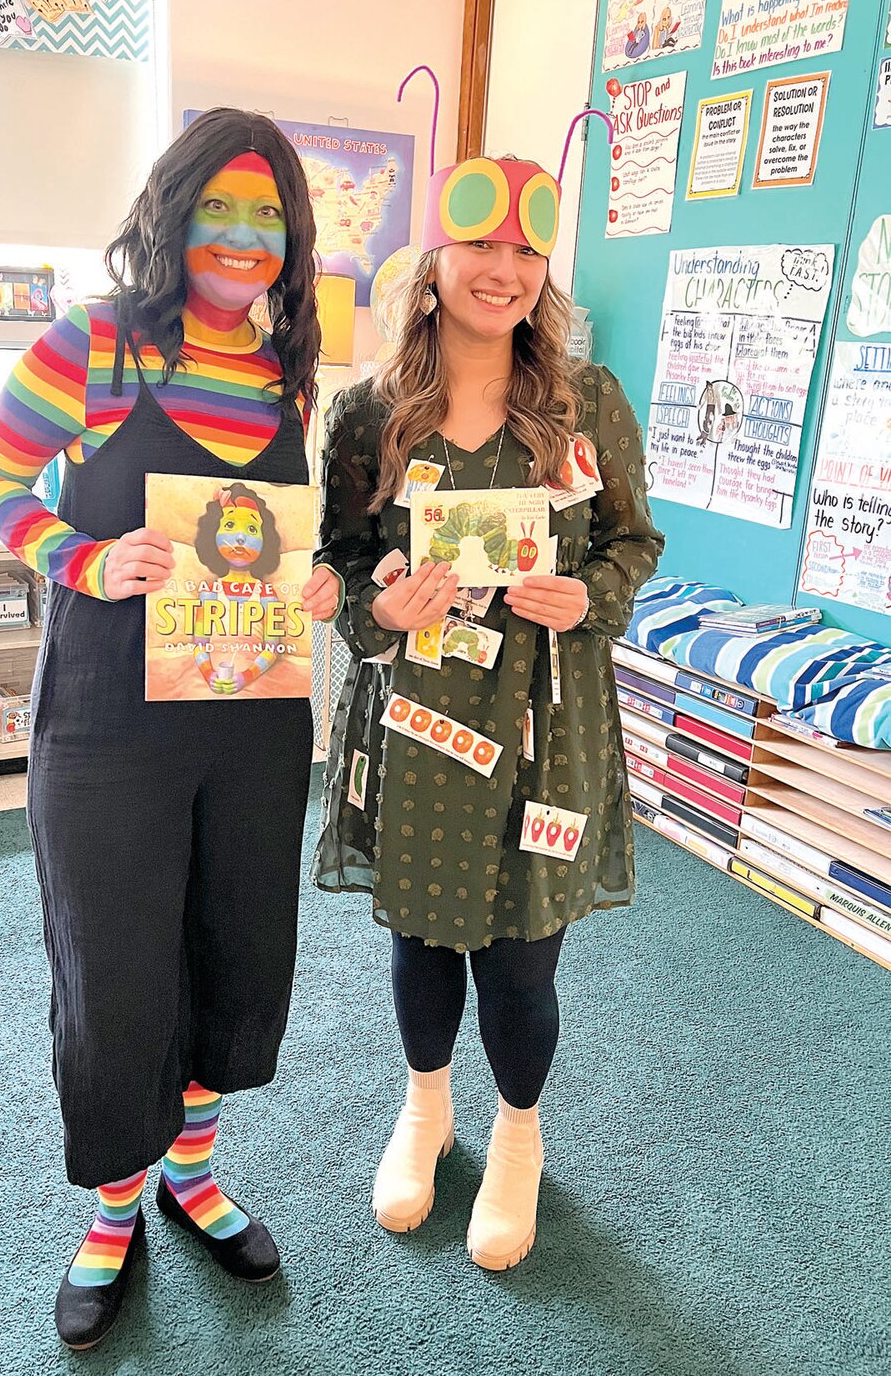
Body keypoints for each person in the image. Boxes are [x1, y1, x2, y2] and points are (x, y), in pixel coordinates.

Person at [0, 107, 340, 1349]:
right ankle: (117, 1206)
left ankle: (192, 1174)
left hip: (250, 720)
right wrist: (78, 554)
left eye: (266, 214)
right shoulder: (97, 344)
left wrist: (324, 577)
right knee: (116, 963)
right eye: (219, 208)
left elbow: (281, 539)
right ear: (175, 216)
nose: (242, 236)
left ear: (289, 238)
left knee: (234, 946)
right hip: (109, 723)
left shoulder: (289, 368)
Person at [313, 150, 664, 1271]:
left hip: (546, 721)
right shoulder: (372, 415)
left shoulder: (584, 404)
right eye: (480, 247)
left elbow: (631, 541)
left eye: (524, 250)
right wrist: (385, 607)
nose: (501, 271)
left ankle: (518, 1131)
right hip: (418, 718)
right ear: (434, 263)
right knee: (421, 934)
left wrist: (588, 597)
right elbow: (343, 563)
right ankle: (426, 1108)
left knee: (521, 956)